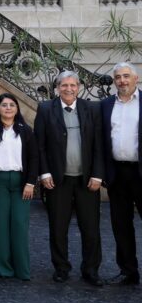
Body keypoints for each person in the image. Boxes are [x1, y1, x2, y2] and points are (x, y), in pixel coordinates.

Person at [34, 70, 104, 286]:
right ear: (57, 88)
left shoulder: (91, 108)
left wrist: (98, 174)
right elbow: (40, 145)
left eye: (73, 85)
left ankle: (91, 269)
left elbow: (99, 145)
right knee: (58, 226)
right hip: (57, 179)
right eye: (64, 85)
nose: (69, 89)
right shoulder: (46, 109)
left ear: (79, 87)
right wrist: (44, 173)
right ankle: (61, 268)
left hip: (87, 180)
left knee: (91, 228)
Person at [0, 93, 38, 280]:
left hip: (21, 182)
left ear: (17, 109)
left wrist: (31, 183)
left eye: (12, 105)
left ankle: (22, 269)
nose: (8, 108)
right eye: (4, 105)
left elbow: (34, 158)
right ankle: (3, 268)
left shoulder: (26, 130)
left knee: (19, 224)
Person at [101, 62, 142, 286]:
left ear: (136, 79)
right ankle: (128, 271)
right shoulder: (106, 105)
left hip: (140, 171)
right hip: (117, 172)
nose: (122, 81)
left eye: (126, 76)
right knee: (121, 224)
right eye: (118, 77)